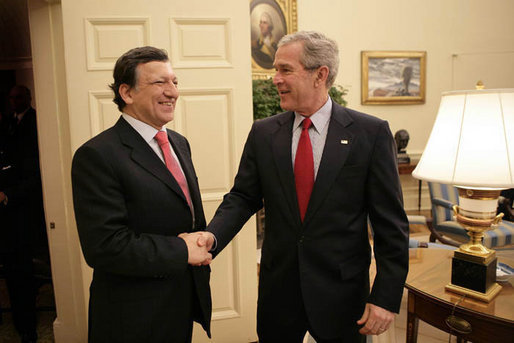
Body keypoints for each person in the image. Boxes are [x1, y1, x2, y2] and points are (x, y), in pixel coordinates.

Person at [206, 31, 409, 342]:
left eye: (285, 70)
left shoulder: (370, 134)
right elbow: (243, 197)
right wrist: (212, 237)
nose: (274, 79)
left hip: (342, 292)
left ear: (320, 75)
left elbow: (390, 225)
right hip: (279, 291)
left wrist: (385, 296)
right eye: (275, 69)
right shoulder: (263, 133)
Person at [71, 46, 213, 343]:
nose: (172, 91)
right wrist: (182, 251)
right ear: (127, 92)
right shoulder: (97, 155)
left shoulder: (178, 142)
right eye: (159, 82)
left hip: (179, 302)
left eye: (175, 82)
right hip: (133, 316)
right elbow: (105, 246)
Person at [0, 85, 46, 343]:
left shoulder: (35, 123)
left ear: (27, 98)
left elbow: (33, 174)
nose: (14, 101)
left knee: (21, 271)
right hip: (8, 214)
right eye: (11, 97)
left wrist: (8, 194)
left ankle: (27, 327)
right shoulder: (8, 124)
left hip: (22, 211)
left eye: (19, 97)